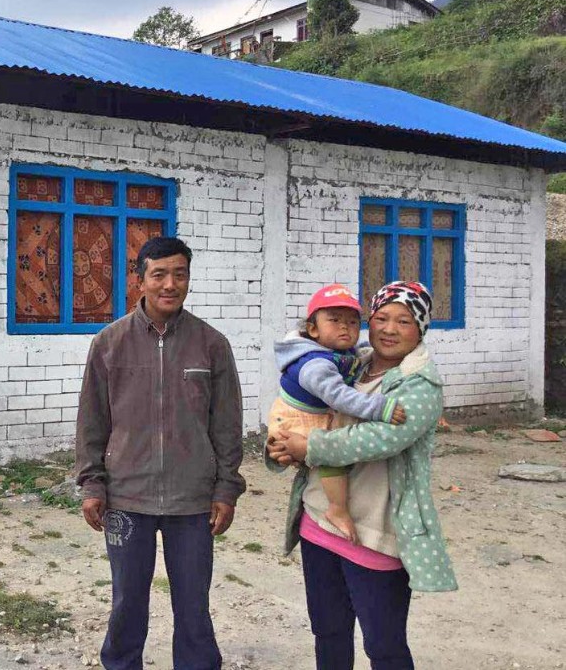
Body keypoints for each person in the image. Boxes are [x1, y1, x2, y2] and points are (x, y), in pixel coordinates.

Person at [75, 236, 246, 670]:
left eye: (180, 274)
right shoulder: (109, 344)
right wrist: (92, 483)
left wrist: (226, 488)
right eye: (159, 274)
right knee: (128, 601)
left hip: (193, 501)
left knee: (193, 603)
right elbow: (92, 421)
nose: (171, 284)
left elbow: (226, 424)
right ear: (140, 281)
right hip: (126, 497)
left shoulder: (212, 344)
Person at [268, 281, 457, 670]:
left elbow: (376, 440)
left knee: (384, 646)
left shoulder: (421, 384)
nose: (389, 329)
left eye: (404, 321)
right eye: (382, 318)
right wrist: (283, 449)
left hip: (375, 533)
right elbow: (308, 412)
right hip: (319, 521)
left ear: (420, 329)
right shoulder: (347, 362)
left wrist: (310, 446)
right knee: (329, 633)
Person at [269, 284, 407, 544]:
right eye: (334, 320)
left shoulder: (339, 352)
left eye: (352, 322)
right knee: (330, 458)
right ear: (313, 329)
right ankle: (337, 508)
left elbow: (360, 354)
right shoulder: (315, 364)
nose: (345, 327)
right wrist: (380, 408)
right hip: (297, 418)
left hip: (313, 414)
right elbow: (340, 397)